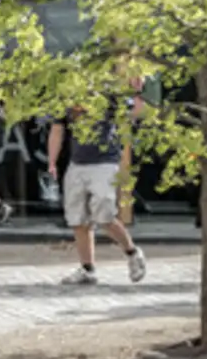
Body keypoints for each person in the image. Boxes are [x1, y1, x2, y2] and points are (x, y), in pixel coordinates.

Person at [47, 95, 148, 286]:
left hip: (105, 162)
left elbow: (135, 112)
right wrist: (52, 161)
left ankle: (132, 252)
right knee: (78, 219)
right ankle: (87, 269)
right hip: (77, 163)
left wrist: (137, 93)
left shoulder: (109, 93)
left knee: (105, 215)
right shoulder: (67, 94)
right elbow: (57, 129)